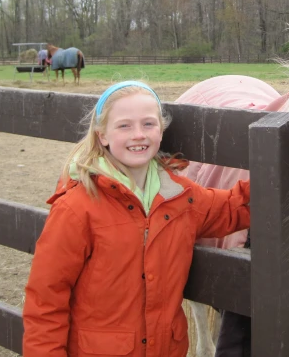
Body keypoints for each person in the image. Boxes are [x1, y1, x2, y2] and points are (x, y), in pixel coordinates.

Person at [22, 80, 251, 357]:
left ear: (161, 130)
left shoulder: (182, 198)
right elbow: (46, 300)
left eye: (148, 124)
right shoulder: (76, 209)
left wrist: (281, 175)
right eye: (124, 126)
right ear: (102, 135)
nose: (138, 135)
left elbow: (232, 207)